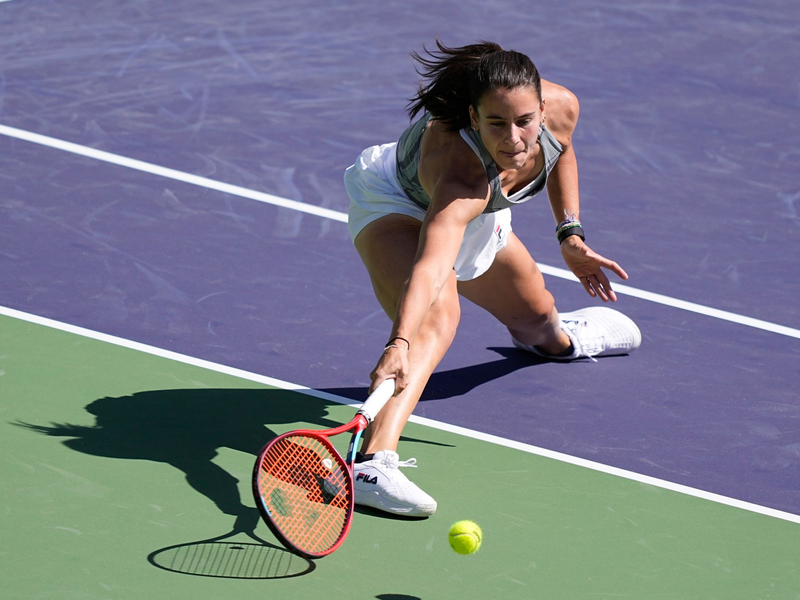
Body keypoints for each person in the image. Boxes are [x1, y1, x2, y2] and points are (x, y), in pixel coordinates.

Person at [343, 40, 641, 517]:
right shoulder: (460, 173)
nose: (514, 139)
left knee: (542, 325)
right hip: (400, 206)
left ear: (542, 108)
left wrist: (570, 233)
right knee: (437, 320)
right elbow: (432, 265)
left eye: (524, 120)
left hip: (483, 218)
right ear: (473, 118)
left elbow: (560, 149)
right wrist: (399, 342)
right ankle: (370, 464)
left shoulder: (560, 107)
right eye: (496, 124)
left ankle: (561, 338)